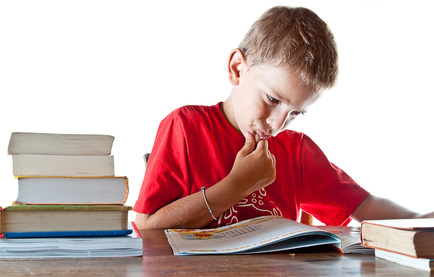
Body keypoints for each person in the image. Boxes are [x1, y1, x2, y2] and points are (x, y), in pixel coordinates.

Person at [134, 6, 433, 229]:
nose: (277, 124)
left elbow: (362, 205)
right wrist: (238, 184)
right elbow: (148, 227)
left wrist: (421, 219)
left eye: (295, 113)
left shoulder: (297, 151)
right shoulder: (185, 127)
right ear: (238, 69)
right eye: (273, 99)